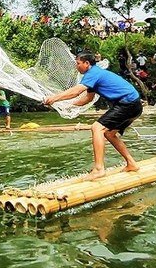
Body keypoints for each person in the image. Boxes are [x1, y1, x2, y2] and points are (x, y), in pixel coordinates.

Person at [42, 52, 143, 180]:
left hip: (127, 103)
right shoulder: (95, 74)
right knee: (109, 133)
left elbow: (77, 91)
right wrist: (67, 106)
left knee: (97, 128)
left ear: (87, 63)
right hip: (133, 104)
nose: (76, 67)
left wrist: (54, 98)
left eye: (78, 64)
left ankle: (99, 169)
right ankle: (131, 163)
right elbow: (87, 99)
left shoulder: (93, 73)